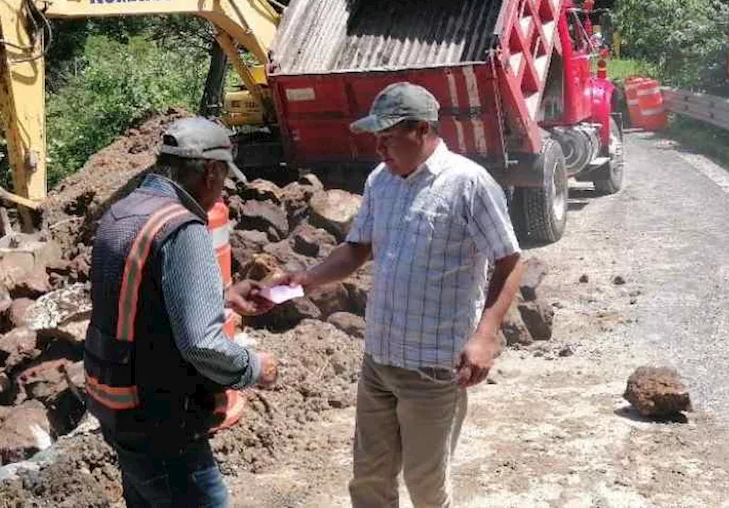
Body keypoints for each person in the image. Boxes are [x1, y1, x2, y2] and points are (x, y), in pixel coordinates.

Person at [272, 82, 525, 508]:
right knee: (369, 479)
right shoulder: (380, 182)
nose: (379, 149)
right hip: (380, 359)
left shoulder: (468, 184)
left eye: (388, 138)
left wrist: (485, 335)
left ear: (423, 130)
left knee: (426, 487)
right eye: (376, 138)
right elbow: (357, 249)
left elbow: (510, 261)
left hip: (433, 368)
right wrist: (307, 279)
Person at [82, 116, 279, 507]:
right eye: (223, 179)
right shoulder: (182, 227)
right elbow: (201, 344)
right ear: (209, 171)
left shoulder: (126, 211)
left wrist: (220, 296)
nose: (221, 192)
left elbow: (141, 301)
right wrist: (256, 367)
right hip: (161, 418)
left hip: (116, 403)